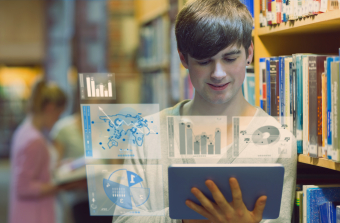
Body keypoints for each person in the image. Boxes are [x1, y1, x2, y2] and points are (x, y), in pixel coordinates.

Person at [112, 0, 297, 223]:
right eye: (203, 61)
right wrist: (187, 219)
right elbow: (123, 220)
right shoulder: (146, 134)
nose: (218, 73)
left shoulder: (279, 142)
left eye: (230, 58)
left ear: (249, 53)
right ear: (183, 59)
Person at [9, 78, 68, 223]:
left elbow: (38, 170)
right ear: (50, 108)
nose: (57, 120)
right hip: (35, 214)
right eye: (58, 114)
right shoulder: (34, 140)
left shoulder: (27, 131)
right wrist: (61, 185)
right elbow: (23, 187)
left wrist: (63, 167)